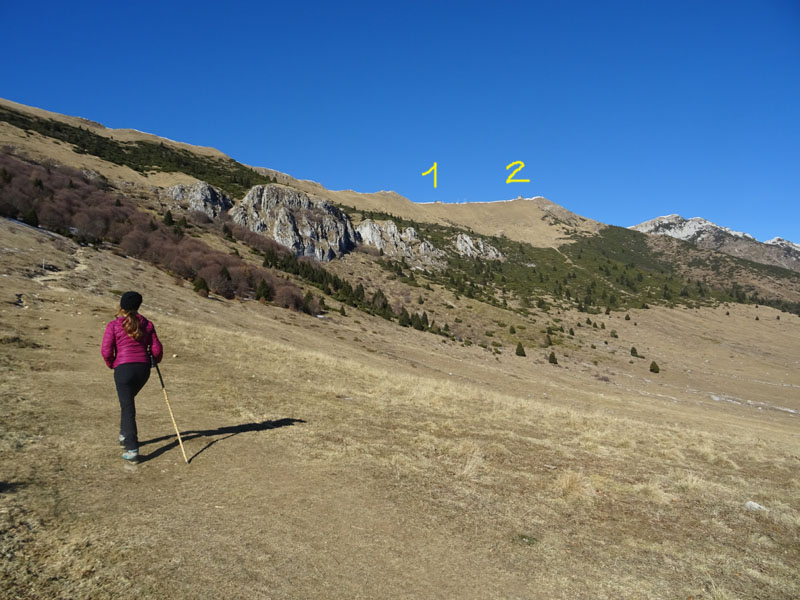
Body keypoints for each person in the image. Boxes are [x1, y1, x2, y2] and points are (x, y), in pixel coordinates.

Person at [101, 291, 163, 463]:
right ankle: (124, 435)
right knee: (127, 404)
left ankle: (132, 448)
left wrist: (112, 363)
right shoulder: (148, 324)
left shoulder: (114, 325)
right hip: (143, 370)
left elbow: (106, 351)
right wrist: (154, 360)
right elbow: (157, 349)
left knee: (128, 407)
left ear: (121, 306)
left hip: (123, 369)